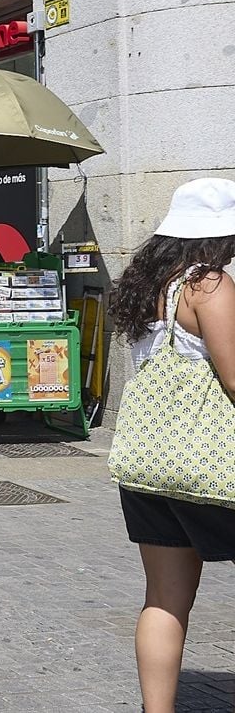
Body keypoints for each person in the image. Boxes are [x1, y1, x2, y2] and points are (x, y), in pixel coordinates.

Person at [106, 177, 235, 713]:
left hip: (148, 466)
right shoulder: (209, 286)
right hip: (210, 469)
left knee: (164, 600)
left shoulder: (145, 287)